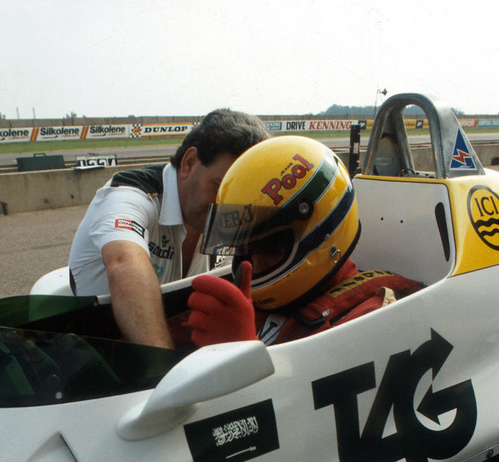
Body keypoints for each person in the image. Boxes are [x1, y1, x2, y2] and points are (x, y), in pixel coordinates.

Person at [186, 136, 423, 348]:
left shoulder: (377, 319)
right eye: (245, 247)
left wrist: (239, 355)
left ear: (323, 232)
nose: (253, 265)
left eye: (269, 245)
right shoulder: (244, 309)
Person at [68, 109, 269, 347]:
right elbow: (124, 264)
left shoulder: (223, 210)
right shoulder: (129, 194)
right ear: (189, 163)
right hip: (106, 352)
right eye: (219, 186)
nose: (227, 208)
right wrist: (164, 368)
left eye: (238, 195)